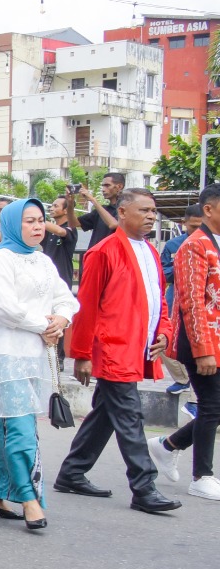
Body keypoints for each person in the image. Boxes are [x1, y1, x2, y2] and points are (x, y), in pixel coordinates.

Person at [53, 189, 181, 513]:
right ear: (122, 212)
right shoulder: (103, 252)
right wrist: (81, 354)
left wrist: (165, 332)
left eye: (154, 211)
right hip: (113, 348)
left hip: (139, 346)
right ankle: (144, 487)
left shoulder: (151, 251)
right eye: (144, 210)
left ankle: (71, 472)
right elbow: (87, 307)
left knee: (108, 414)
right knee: (129, 414)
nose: (152, 216)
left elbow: (158, 300)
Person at [0, 198, 79, 529]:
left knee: (7, 426)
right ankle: (30, 498)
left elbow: (66, 297)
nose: (37, 227)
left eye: (40, 220)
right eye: (29, 221)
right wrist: (45, 325)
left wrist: (61, 319)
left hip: (35, 355)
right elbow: (4, 308)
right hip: (5, 354)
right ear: (11, 225)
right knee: (19, 428)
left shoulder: (43, 261)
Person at [149, 183, 220, 500]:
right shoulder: (195, 245)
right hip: (200, 342)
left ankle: (167, 445)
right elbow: (190, 301)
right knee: (211, 407)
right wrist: (204, 352)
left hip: (216, 340)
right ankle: (202, 475)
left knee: (215, 408)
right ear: (209, 209)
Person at [159, 205, 203, 394]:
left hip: (205, 305)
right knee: (162, 340)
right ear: (184, 223)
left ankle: (198, 391)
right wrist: (186, 266)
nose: (198, 231)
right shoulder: (173, 246)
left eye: (202, 226)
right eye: (193, 226)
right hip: (176, 301)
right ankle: (182, 379)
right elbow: (163, 273)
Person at [41, 194, 81, 289]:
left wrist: (37, 219)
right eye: (51, 206)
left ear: (66, 210)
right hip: (46, 279)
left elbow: (60, 231)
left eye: (55, 206)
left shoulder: (70, 227)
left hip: (62, 280)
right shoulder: (49, 230)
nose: (51, 208)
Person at [77, 172, 125, 250]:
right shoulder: (102, 209)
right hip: (95, 257)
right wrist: (70, 203)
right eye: (102, 186)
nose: (103, 190)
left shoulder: (126, 209)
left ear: (119, 186)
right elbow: (74, 223)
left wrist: (93, 200)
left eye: (107, 185)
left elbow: (113, 225)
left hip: (112, 258)